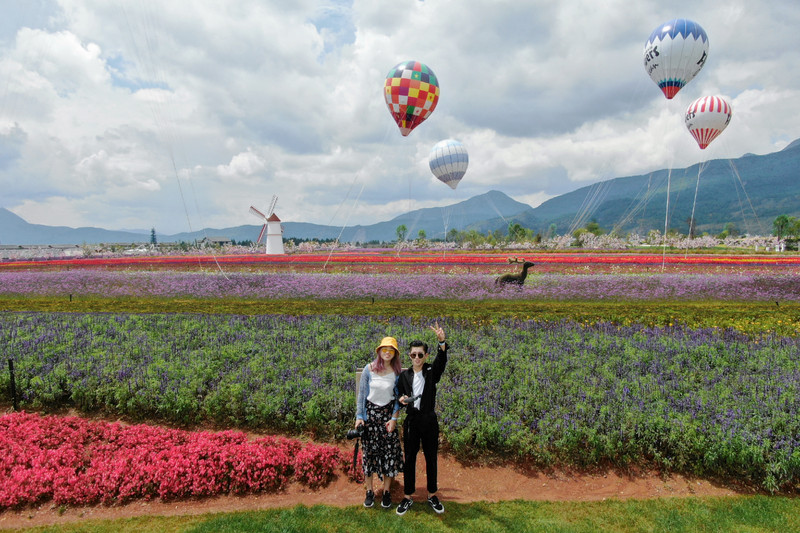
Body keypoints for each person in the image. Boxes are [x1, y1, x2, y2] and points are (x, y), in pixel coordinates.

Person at [395, 322, 447, 516]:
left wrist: (442, 342)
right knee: (409, 459)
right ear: (409, 356)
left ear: (426, 356)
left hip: (429, 420)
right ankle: (408, 496)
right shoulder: (404, 376)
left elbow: (442, 361)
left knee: (431, 457)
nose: (416, 358)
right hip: (411, 422)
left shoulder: (431, 372)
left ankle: (432, 494)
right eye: (413, 355)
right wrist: (401, 400)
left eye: (420, 354)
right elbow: (398, 397)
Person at [355, 336, 404, 509]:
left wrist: (393, 419)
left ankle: (386, 491)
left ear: (395, 353)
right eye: (385, 349)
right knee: (368, 456)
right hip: (370, 418)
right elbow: (362, 396)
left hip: (387, 419)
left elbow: (398, 399)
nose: (387, 352)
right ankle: (369, 491)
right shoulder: (369, 369)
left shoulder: (397, 373)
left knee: (388, 456)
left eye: (391, 350)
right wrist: (359, 417)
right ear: (379, 351)